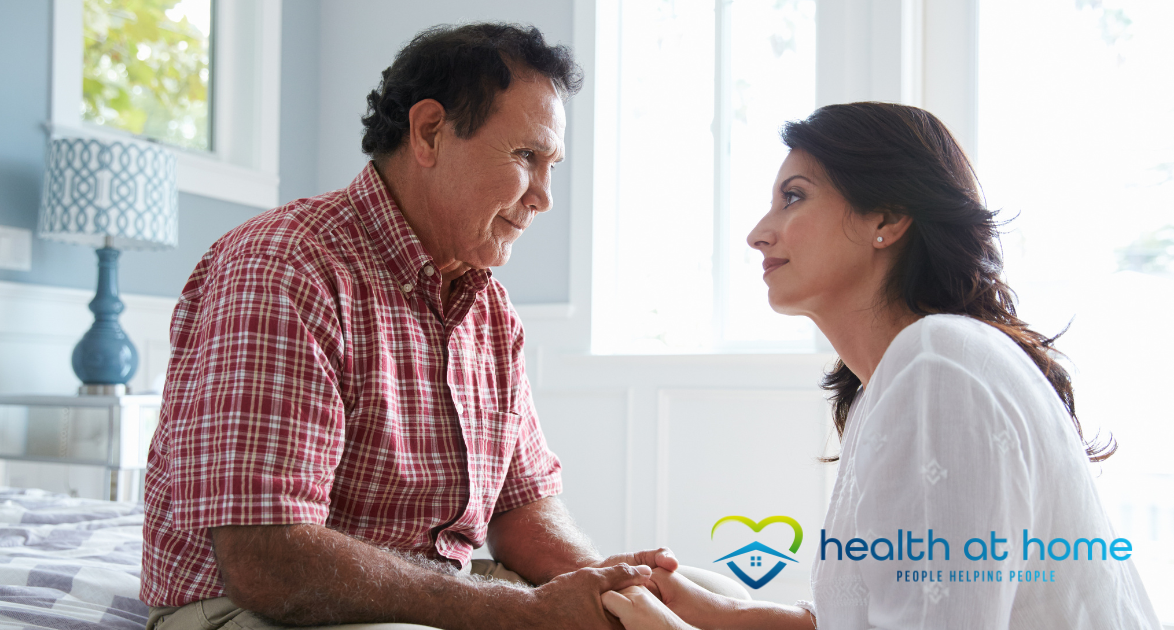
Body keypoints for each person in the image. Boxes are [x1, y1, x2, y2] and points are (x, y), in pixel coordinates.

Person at [140, 23, 745, 630]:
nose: (544, 197)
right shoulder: (286, 268)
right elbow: (267, 562)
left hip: (419, 594)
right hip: (243, 608)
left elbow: (522, 511)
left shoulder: (488, 307)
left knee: (698, 587)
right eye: (525, 156)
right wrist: (527, 613)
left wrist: (614, 594)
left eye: (551, 164)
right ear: (429, 132)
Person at [598, 102, 1162, 630]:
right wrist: (724, 613)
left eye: (793, 197)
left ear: (887, 219)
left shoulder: (939, 368)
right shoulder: (901, 378)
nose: (758, 233)